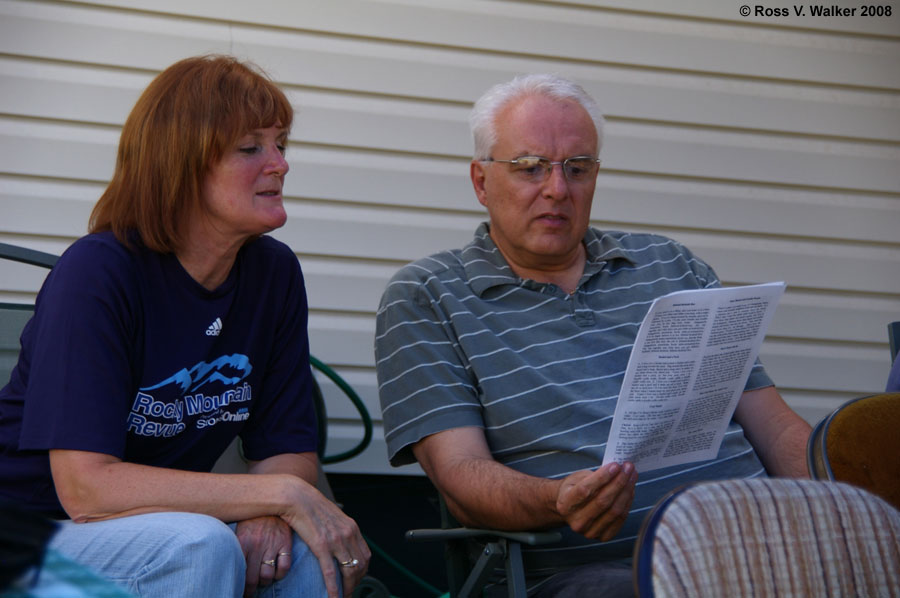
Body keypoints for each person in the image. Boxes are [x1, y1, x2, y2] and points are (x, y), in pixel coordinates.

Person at [374, 74, 811, 597]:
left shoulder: (669, 265)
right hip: (592, 574)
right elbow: (462, 477)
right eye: (529, 167)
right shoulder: (429, 295)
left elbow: (775, 426)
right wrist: (558, 498)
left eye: (577, 168)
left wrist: (857, 505)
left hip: (758, 543)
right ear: (481, 182)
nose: (557, 189)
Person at [0, 55, 370, 598]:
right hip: (27, 529)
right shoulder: (99, 272)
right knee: (198, 546)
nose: (280, 164)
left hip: (149, 522)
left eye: (281, 144)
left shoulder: (274, 274)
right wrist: (281, 496)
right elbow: (86, 489)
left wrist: (270, 510)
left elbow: (287, 448)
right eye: (251, 148)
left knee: (307, 562)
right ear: (180, 164)